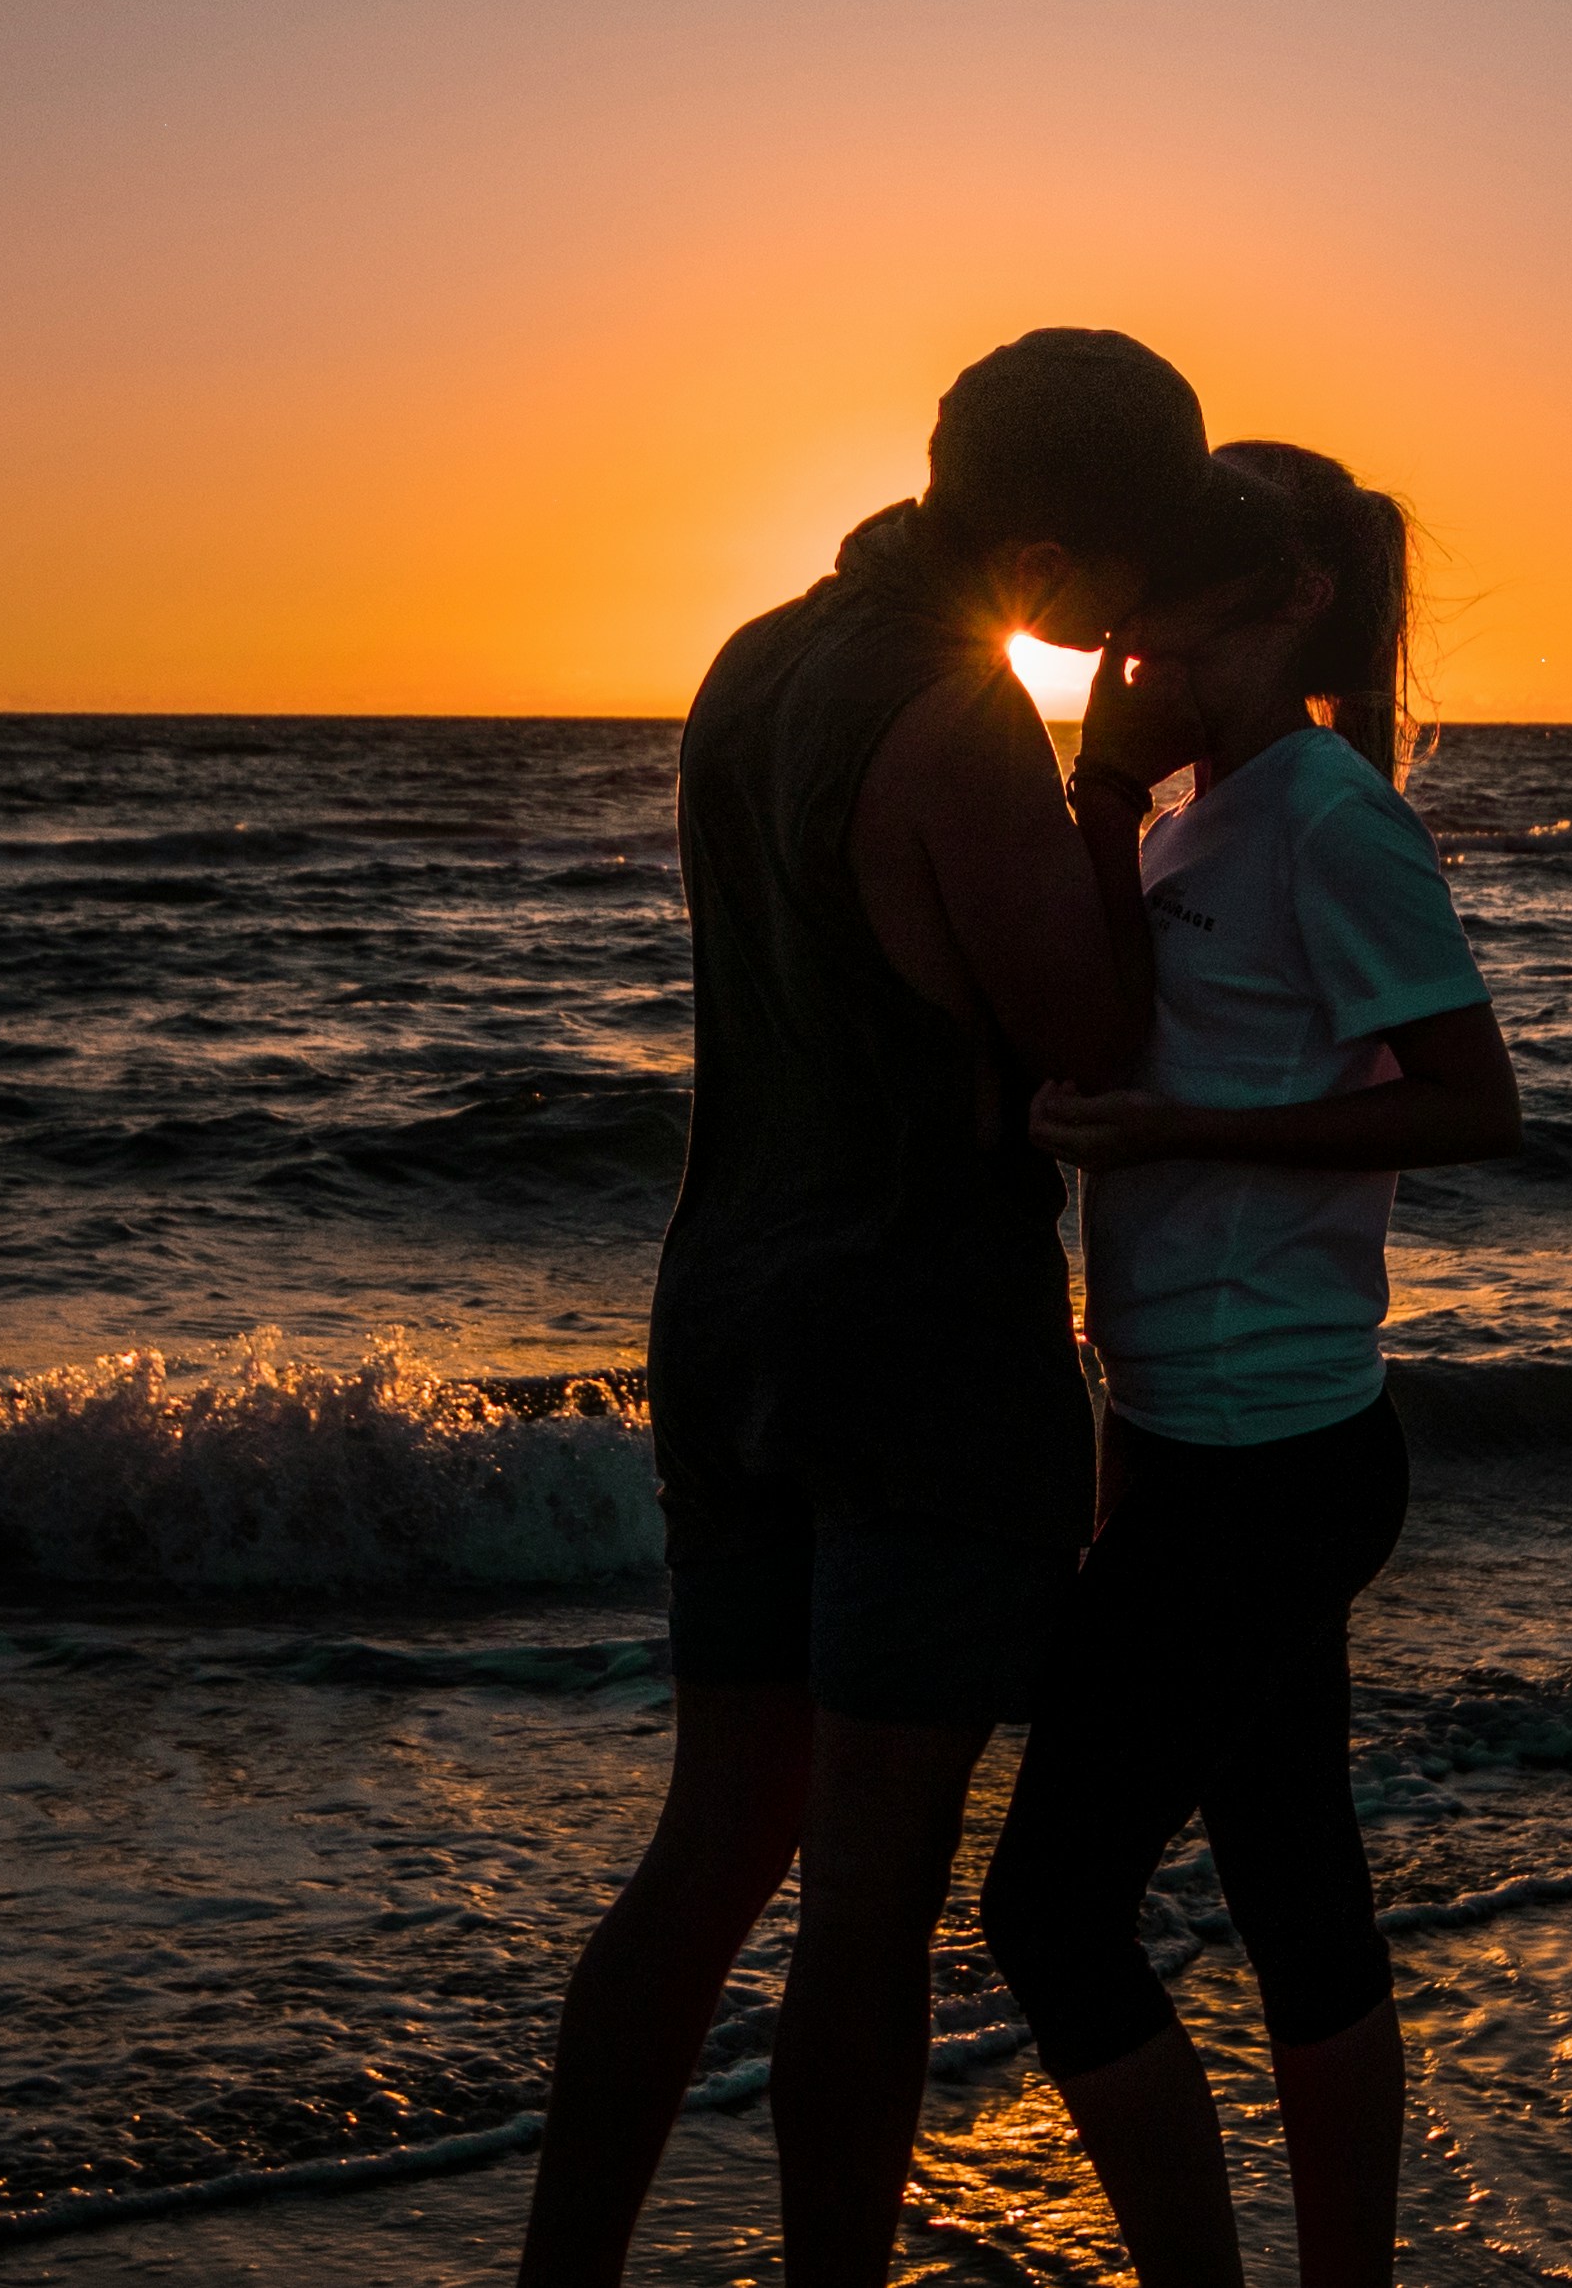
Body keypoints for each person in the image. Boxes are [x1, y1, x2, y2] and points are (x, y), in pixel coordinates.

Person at [516, 327, 1234, 2288]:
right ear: (1063, 542)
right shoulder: (957, 715)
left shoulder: (751, 662)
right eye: (1130, 568)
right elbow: (1087, 1036)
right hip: (912, 1336)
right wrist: (1108, 799)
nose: (1133, 611)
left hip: (729, 1295)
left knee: (710, 1842)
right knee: (868, 1903)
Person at [980, 440, 1519, 2288]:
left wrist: (1188, 1142)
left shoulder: (1326, 814)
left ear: (1290, 604)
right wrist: (1102, 810)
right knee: (1298, 1893)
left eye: (1172, 631)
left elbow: (1470, 1102)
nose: (1140, 659)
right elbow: (1141, 1026)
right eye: (1131, 634)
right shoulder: (1202, 814)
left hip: (1269, 1459)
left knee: (1047, 1914)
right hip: (1200, 1435)